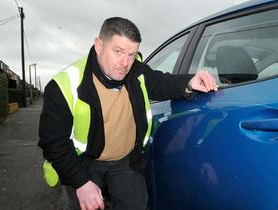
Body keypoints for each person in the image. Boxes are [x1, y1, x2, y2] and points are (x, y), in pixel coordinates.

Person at [38, 17, 217, 210]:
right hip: (84, 162)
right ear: (99, 45)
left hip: (125, 160)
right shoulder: (65, 85)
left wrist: (190, 82)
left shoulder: (134, 71)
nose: (125, 63)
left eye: (132, 54)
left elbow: (160, 82)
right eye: (118, 51)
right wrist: (81, 183)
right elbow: (53, 142)